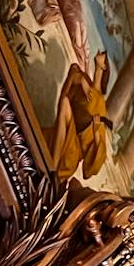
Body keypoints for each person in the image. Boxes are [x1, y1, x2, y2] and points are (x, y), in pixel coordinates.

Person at [46, 51, 112, 180]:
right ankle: (52, 166)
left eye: (103, 54)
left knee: (65, 104)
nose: (99, 52)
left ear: (103, 67)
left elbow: (99, 153)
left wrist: (96, 130)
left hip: (73, 149)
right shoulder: (85, 80)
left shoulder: (100, 104)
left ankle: (52, 169)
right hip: (64, 130)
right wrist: (81, 80)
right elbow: (66, 91)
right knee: (65, 103)